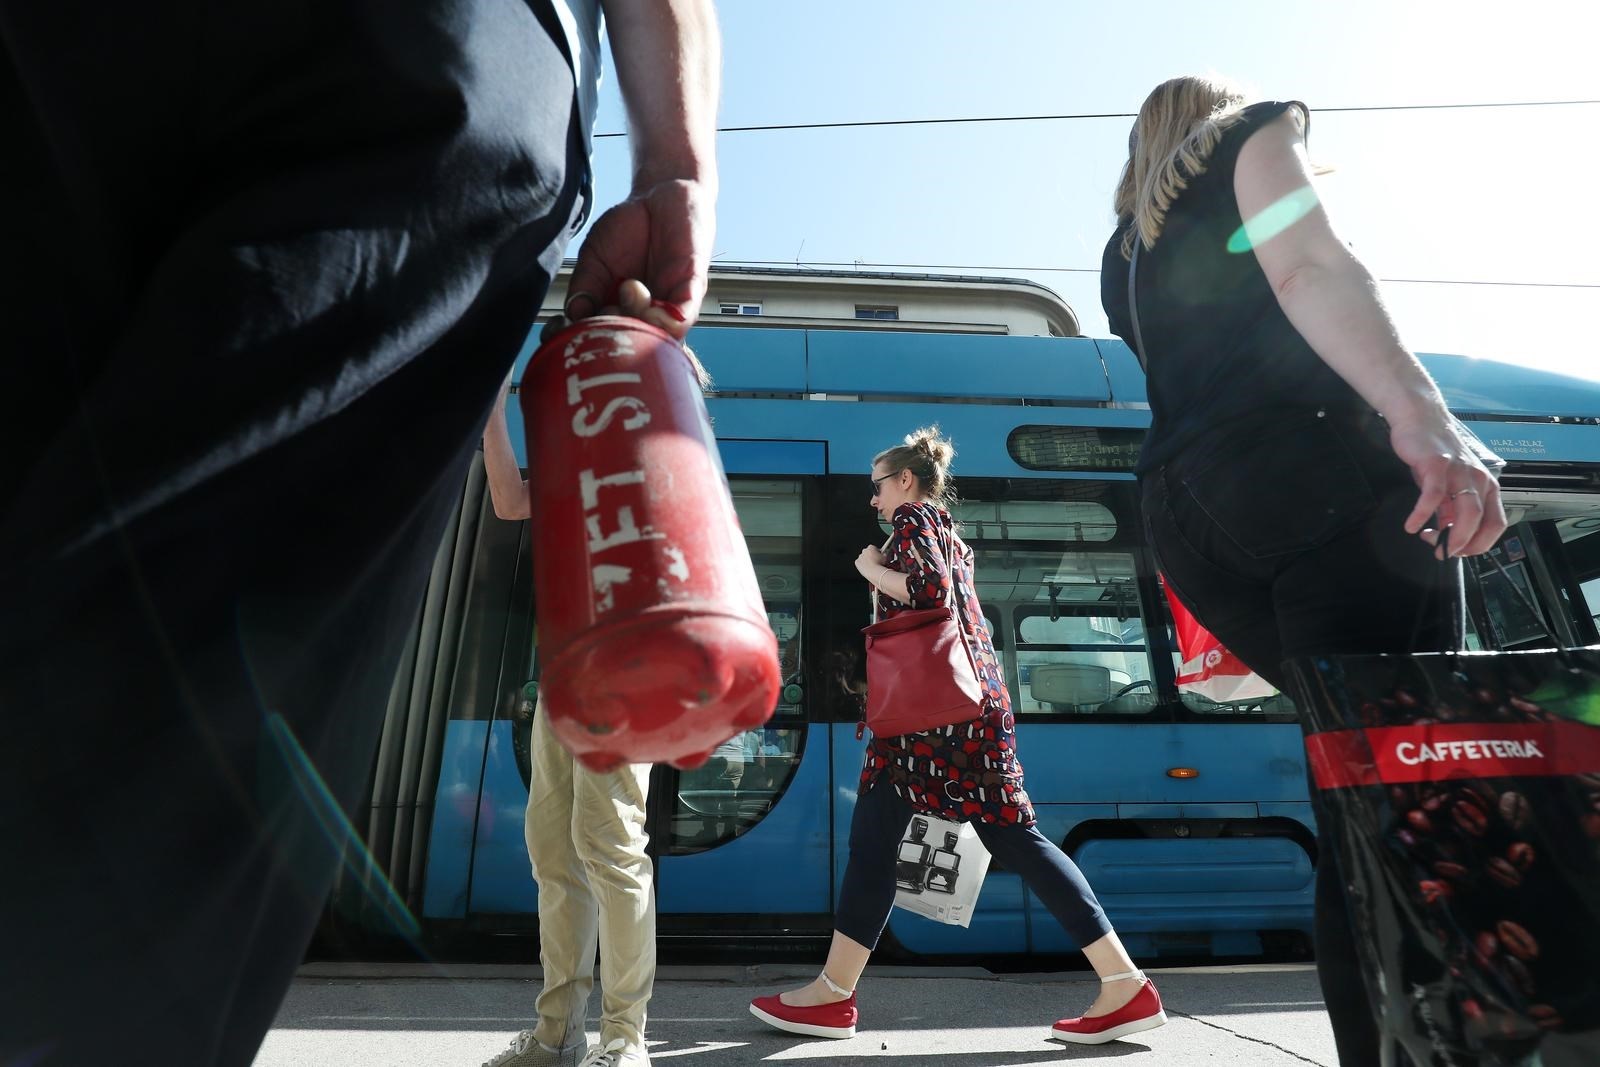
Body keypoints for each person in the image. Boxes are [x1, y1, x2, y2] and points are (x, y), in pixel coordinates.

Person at [0, 1, 717, 1064]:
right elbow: (517, 503)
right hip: (423, 55)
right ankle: (564, 1020)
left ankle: (618, 1031)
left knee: (600, 854)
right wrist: (674, 162)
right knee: (180, 733)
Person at [1099, 75, 1507, 1065]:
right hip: (1312, 475)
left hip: (1187, 512)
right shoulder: (1252, 129)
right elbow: (1311, 265)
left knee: (1363, 796)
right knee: (1409, 795)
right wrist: (1423, 417)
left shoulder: (1122, 253)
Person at [749, 428, 1168, 1046]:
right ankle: (833, 995)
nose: (873, 500)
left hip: (936, 725)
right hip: (957, 716)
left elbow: (928, 595)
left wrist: (868, 567)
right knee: (961, 839)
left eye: (878, 486)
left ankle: (834, 997)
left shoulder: (915, 519)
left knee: (920, 843)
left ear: (906, 482)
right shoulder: (949, 533)